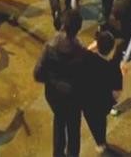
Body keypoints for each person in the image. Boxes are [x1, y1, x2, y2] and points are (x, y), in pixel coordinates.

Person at [34, 9, 86, 157]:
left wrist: (53, 81)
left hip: (54, 95)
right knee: (74, 128)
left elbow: (37, 74)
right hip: (74, 97)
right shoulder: (81, 51)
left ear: (63, 25)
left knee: (59, 121)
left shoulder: (50, 46)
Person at [81, 30, 123, 154]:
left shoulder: (86, 57)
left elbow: (87, 50)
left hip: (85, 101)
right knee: (101, 123)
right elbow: (117, 94)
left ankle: (99, 142)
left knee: (92, 122)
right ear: (111, 49)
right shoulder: (113, 69)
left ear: (97, 45)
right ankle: (102, 142)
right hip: (102, 104)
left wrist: (95, 45)